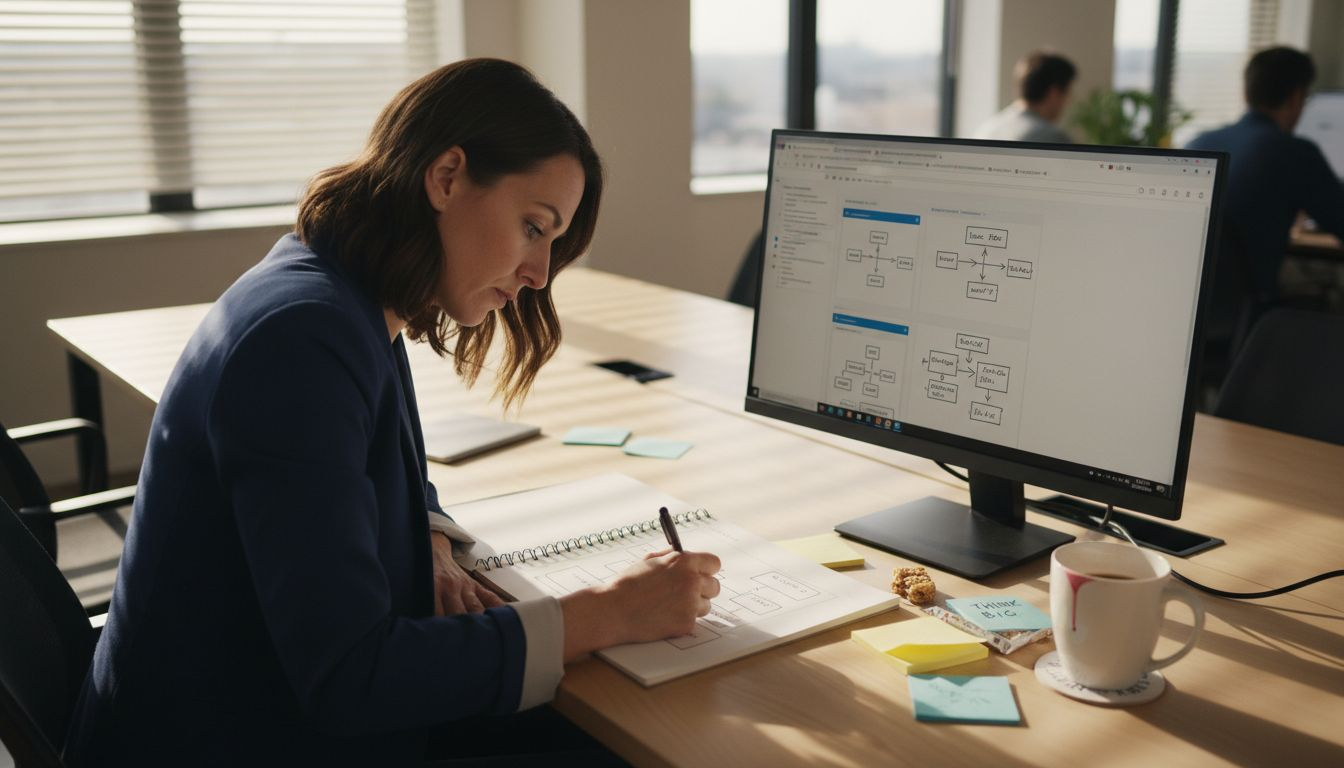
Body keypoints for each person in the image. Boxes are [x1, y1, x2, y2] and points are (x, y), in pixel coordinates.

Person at [65, 58, 722, 766]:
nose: (539, 275)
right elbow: (351, 679)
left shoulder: (344, 290)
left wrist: (430, 539)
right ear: (446, 178)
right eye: (534, 227)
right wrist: (606, 613)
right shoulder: (302, 340)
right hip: (224, 740)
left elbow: (369, 471)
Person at [1187, 46, 1344, 306]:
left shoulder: (1199, 143)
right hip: (1248, 318)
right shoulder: (1295, 152)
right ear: (1296, 97)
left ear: (1246, 92)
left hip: (1191, 308)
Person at [973, 50, 1077, 144]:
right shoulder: (1052, 138)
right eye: (1068, 93)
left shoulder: (987, 130)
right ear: (1053, 93)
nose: (1069, 101)